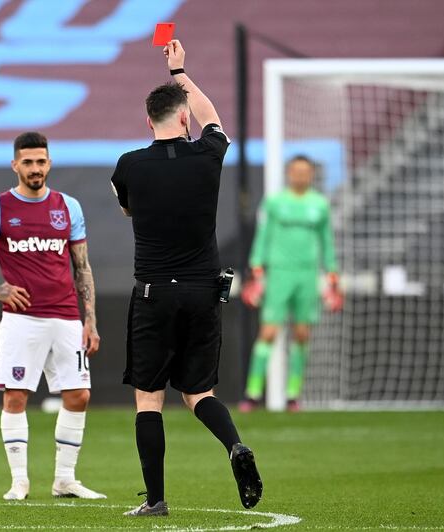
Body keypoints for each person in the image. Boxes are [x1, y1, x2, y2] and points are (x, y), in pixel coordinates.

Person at [110, 39, 262, 517]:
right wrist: (180, 69)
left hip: (155, 292)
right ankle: (235, 446)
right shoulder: (208, 154)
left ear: (147, 121)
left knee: (149, 399)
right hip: (203, 290)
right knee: (199, 394)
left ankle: (155, 500)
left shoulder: (130, 165)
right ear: (185, 118)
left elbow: (128, 209)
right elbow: (211, 112)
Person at [0, 132, 106, 500]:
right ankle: (19, 480)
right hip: (23, 320)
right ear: (15, 164)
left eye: (41, 161)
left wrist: (91, 319)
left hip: (67, 317)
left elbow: (82, 267)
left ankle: (65, 478)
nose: (35, 168)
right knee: (16, 396)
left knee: (79, 394)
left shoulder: (69, 207)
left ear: (49, 163)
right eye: (28, 162)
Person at [239, 155, 342, 413]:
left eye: (305, 171)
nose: (300, 175)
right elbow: (263, 236)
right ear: (288, 173)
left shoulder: (319, 204)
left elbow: (327, 241)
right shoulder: (275, 202)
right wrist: (256, 266)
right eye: (296, 171)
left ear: (311, 175)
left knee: (302, 333)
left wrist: (332, 273)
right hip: (279, 274)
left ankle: (293, 395)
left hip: (307, 274)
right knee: (269, 332)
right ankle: (252, 393)